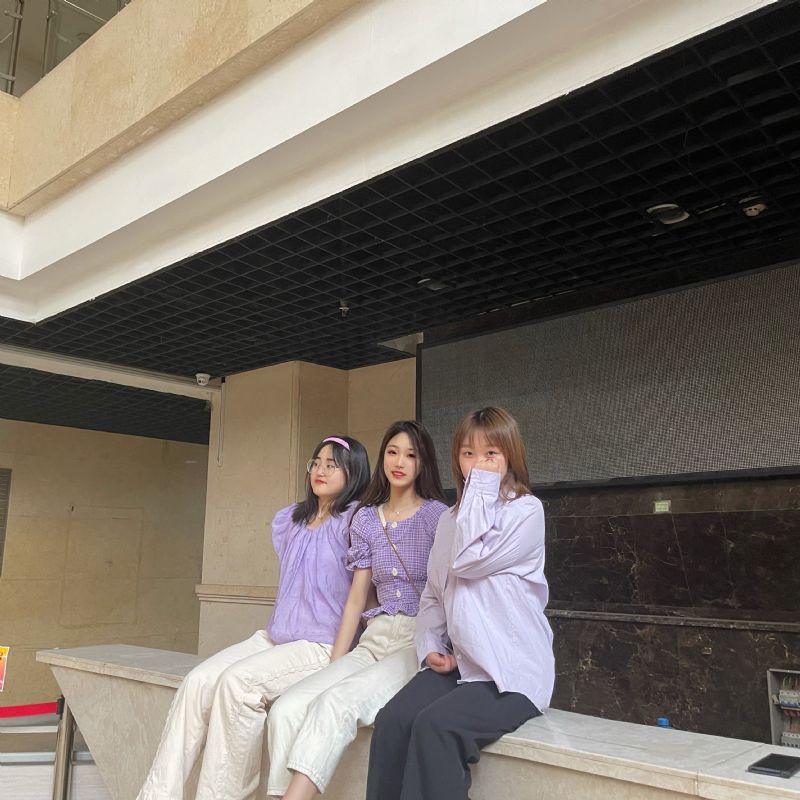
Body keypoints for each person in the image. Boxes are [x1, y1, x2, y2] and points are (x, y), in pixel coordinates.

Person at [136, 435, 370, 800]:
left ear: (353, 473)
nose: (320, 470)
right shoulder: (292, 519)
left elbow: (360, 598)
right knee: (197, 682)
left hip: (320, 643)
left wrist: (336, 665)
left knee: (237, 685)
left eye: (332, 464)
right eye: (316, 462)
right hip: (276, 636)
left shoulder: (356, 522)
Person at [366, 406, 554, 800]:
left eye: (491, 454)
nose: (479, 464)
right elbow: (434, 593)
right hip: (461, 664)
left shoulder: (525, 512)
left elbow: (468, 561)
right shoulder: (449, 521)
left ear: (510, 456)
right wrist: (431, 644)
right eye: (469, 454)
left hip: (509, 672)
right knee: (393, 721)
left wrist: (480, 489)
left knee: (436, 728)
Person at [266, 420, 448, 800]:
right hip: (374, 639)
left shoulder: (437, 517)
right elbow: (356, 598)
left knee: (336, 702)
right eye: (393, 452)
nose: (400, 462)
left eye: (411, 455)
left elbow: (448, 592)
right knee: (286, 708)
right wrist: (334, 663)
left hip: (415, 641)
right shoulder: (366, 519)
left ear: (423, 463)